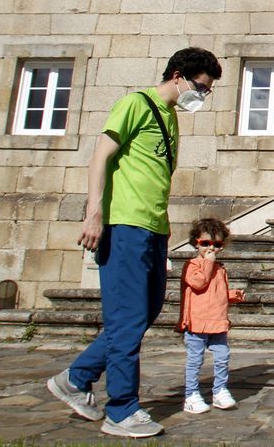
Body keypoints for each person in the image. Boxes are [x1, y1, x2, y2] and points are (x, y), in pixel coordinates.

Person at [46, 47, 222, 438]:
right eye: (200, 87)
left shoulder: (170, 119)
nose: (202, 96)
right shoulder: (135, 104)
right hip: (124, 225)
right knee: (126, 319)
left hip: (153, 230)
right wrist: (94, 213)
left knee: (144, 312)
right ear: (178, 75)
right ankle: (122, 409)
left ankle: (76, 379)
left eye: (207, 92)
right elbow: (100, 157)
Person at [177, 217, 245, 414]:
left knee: (223, 356)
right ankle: (191, 394)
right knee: (195, 359)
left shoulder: (219, 268)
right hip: (197, 322)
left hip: (217, 321)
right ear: (195, 243)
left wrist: (232, 296)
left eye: (216, 244)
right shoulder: (192, 266)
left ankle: (220, 390)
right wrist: (207, 263)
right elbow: (199, 283)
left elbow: (216, 293)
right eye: (205, 244)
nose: (210, 249)